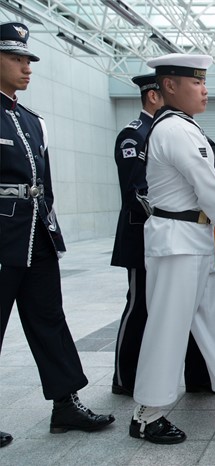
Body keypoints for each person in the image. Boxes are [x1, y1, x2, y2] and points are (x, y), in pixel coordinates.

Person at [0, 22, 115, 445]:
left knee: (49, 319)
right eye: (16, 58)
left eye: (28, 59)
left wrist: (53, 234)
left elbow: (43, 186)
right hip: (2, 238)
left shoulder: (33, 121)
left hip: (36, 236)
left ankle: (65, 404)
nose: (26, 67)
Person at [129, 53, 215, 444]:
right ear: (169, 85)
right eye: (196, 82)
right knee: (168, 328)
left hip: (196, 238)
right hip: (177, 242)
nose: (205, 90)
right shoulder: (174, 129)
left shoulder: (184, 126)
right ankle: (147, 414)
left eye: (204, 81)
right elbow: (208, 187)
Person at [110, 73, 214, 396]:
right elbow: (137, 191)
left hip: (179, 234)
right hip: (144, 233)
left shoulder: (182, 128)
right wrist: (165, 220)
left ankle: (198, 375)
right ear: (154, 95)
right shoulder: (135, 134)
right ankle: (125, 377)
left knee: (189, 308)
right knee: (140, 307)